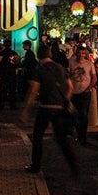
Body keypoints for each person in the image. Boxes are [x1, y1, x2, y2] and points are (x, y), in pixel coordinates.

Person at [20, 44, 78, 176]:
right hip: (59, 108)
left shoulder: (39, 69)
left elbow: (34, 90)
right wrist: (65, 101)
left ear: (38, 55)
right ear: (50, 54)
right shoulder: (61, 68)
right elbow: (70, 87)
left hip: (45, 107)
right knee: (61, 138)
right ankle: (73, 164)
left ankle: (36, 165)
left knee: (38, 136)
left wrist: (26, 111)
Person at [68, 45, 97, 145]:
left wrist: (89, 88)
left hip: (84, 93)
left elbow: (94, 77)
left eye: (83, 53)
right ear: (76, 53)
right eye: (80, 53)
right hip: (73, 92)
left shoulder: (89, 64)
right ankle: (75, 133)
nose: (81, 55)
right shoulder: (71, 62)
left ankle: (82, 136)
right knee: (73, 114)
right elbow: (67, 75)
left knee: (83, 114)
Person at [0, 39, 20, 110]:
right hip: (11, 74)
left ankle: (1, 105)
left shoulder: (0, 54)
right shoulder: (13, 53)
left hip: (3, 74)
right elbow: (17, 63)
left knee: (3, 90)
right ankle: (12, 105)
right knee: (12, 90)